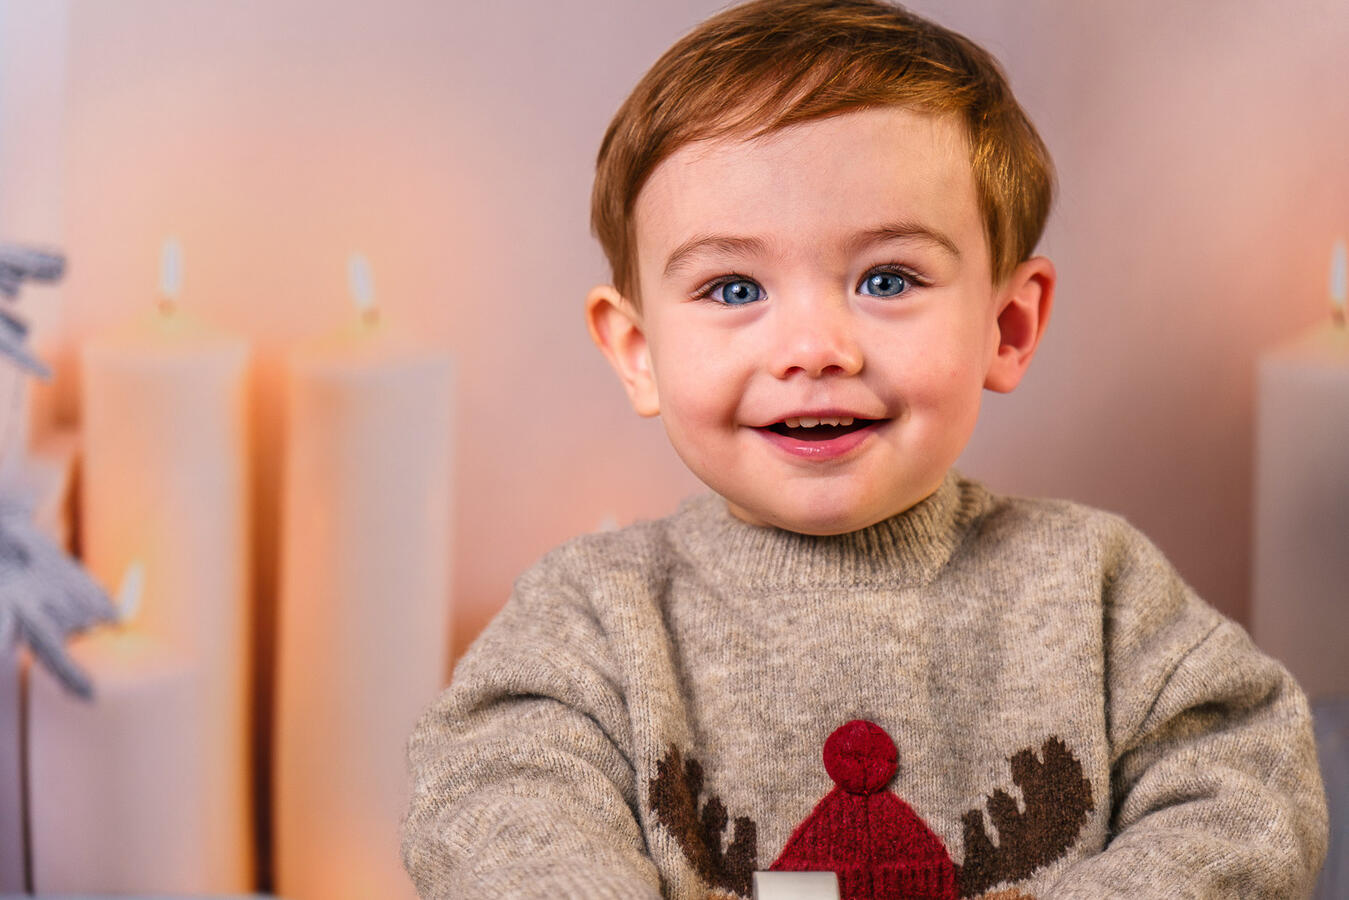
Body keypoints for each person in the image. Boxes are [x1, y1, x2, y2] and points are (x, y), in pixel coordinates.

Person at [400, 1, 1329, 896]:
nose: (814, 349)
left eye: (886, 279)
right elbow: (498, 806)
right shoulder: (592, 618)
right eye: (733, 289)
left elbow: (1243, 787)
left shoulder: (1092, 588)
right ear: (639, 353)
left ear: (1005, 327)